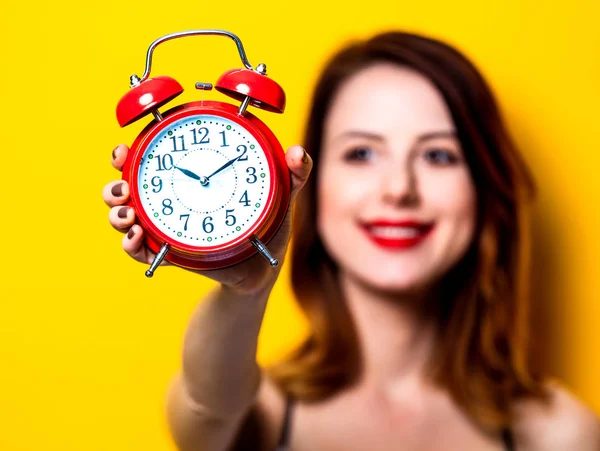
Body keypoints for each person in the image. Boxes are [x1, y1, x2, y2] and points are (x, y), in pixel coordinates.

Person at [102, 31, 600, 450]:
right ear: (310, 184)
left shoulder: (560, 433)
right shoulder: (261, 415)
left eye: (439, 155)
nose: (399, 189)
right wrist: (246, 287)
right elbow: (204, 404)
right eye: (362, 153)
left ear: (486, 186)